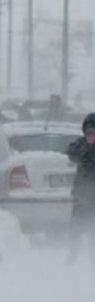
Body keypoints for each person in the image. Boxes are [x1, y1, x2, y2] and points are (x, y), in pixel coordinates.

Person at [66, 113, 95, 264]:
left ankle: (92, 257)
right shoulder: (80, 144)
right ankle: (73, 254)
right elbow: (71, 153)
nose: (91, 134)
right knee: (76, 227)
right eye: (89, 130)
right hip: (82, 194)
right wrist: (86, 147)